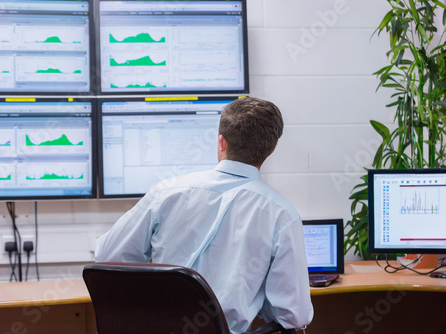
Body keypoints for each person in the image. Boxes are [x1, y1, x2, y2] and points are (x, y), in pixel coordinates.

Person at [95, 97, 313, 333]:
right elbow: (294, 316)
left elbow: (107, 256)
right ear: (271, 150)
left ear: (221, 142)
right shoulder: (282, 214)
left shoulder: (166, 192)